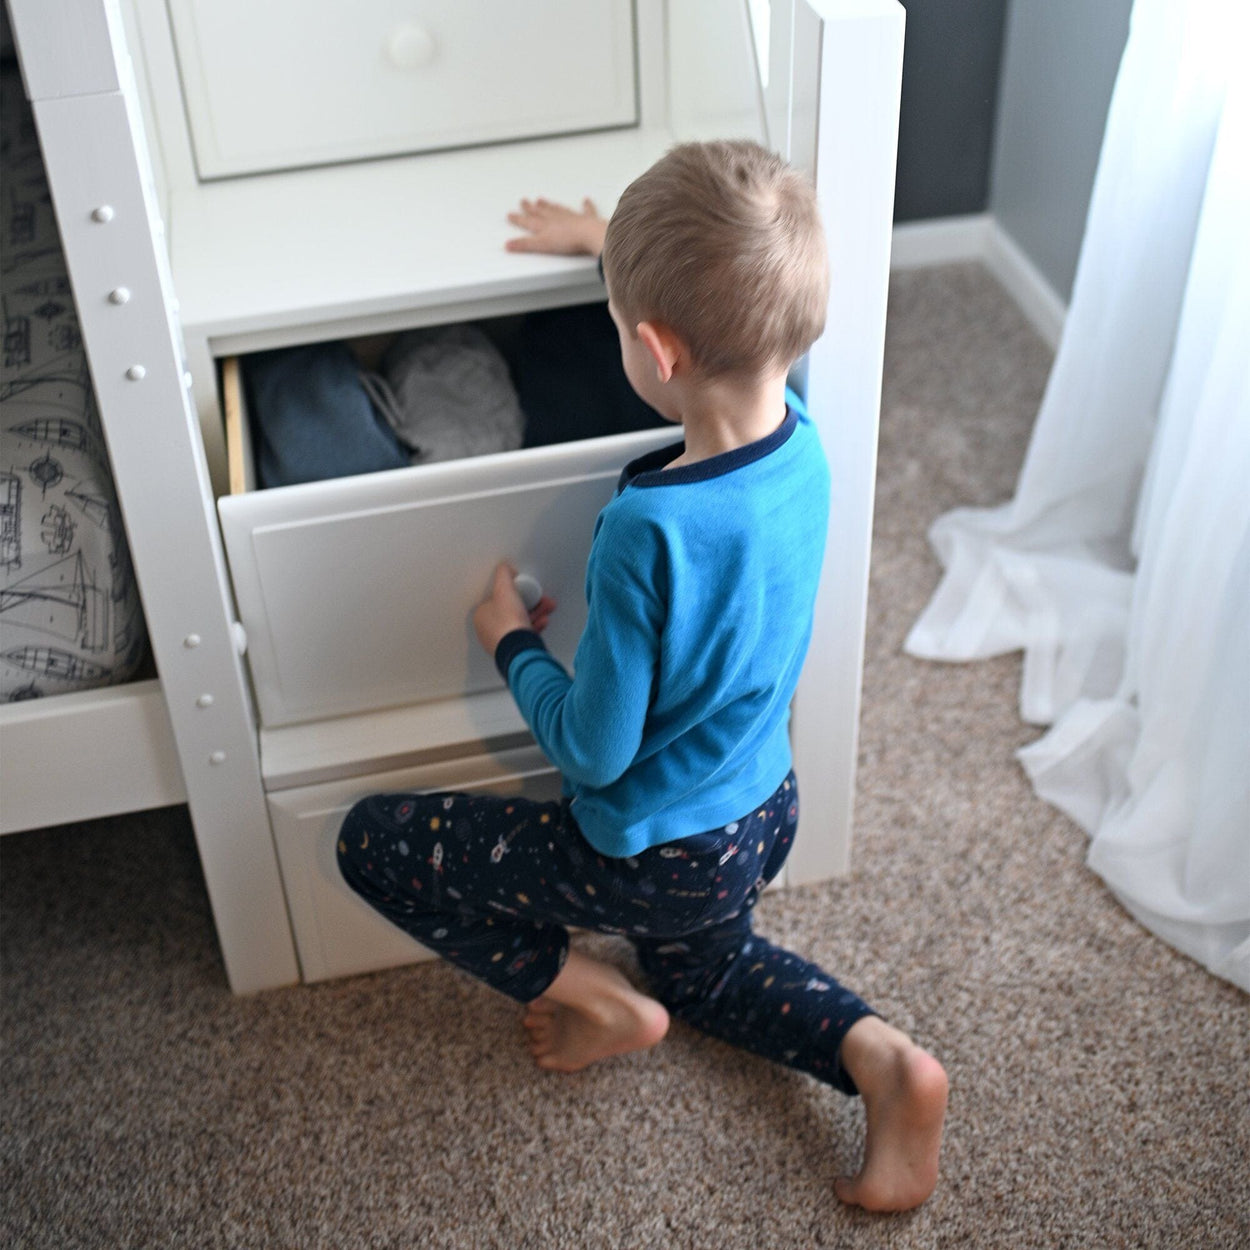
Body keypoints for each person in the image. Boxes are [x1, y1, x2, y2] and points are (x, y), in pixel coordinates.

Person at [337, 141, 947, 1212]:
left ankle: (591, 992)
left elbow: (592, 745)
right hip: (762, 810)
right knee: (706, 971)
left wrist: (507, 642)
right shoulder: (802, 437)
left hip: (653, 851)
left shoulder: (644, 530)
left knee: (373, 843)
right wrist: (608, 248)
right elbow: (722, 297)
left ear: (656, 350)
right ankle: (882, 1058)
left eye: (620, 320)